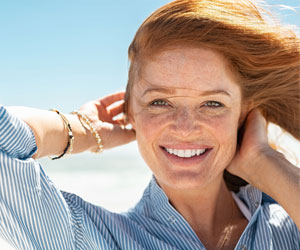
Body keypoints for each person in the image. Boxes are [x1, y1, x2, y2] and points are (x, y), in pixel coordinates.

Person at [0, 0, 299, 249]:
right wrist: (82, 130)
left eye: (212, 104)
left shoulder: (288, 228)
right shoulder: (91, 239)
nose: (184, 127)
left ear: (244, 114)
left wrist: (265, 164)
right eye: (159, 102)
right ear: (130, 112)